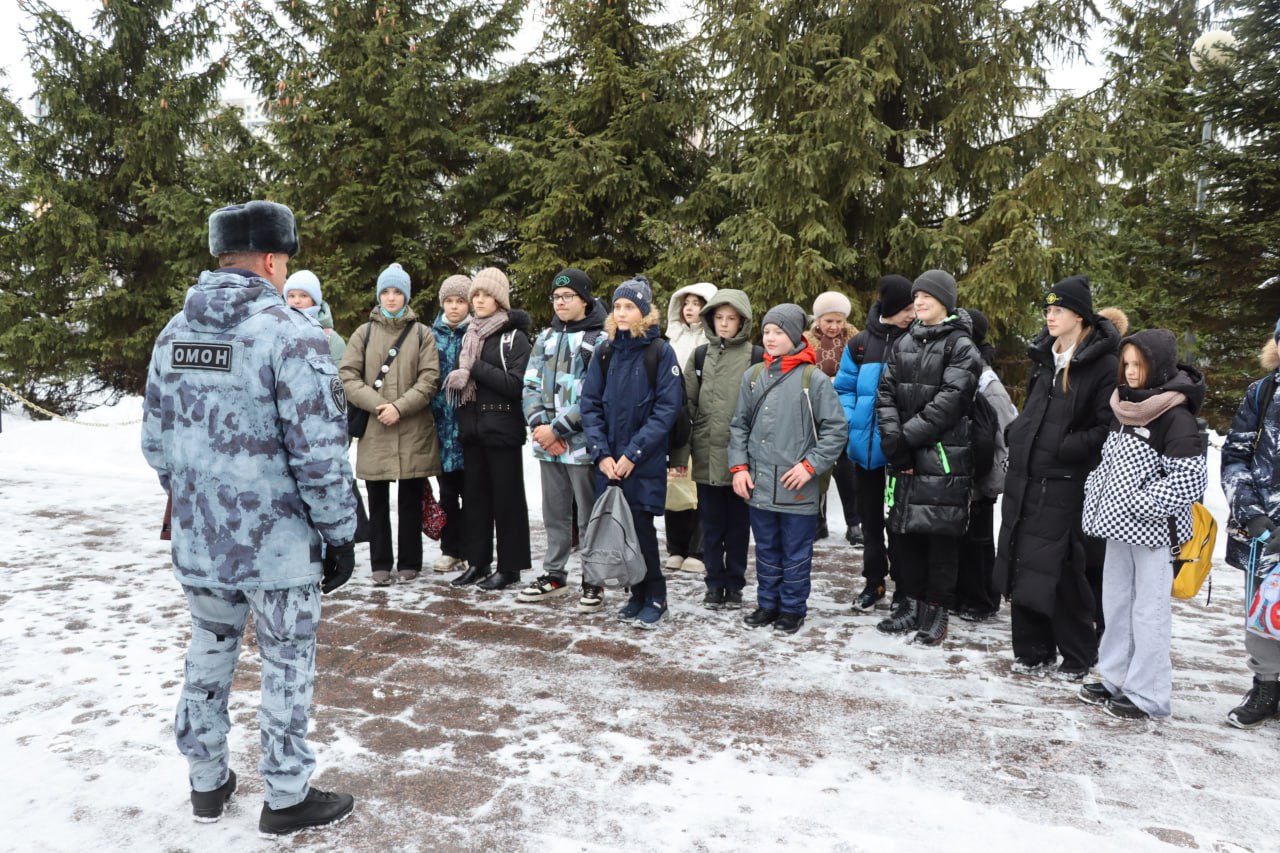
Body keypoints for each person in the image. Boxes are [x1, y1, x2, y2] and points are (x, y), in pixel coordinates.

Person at [141, 200, 356, 835]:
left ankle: (206, 782)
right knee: (287, 660)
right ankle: (286, 795)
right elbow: (319, 452)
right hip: (278, 546)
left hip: (201, 540)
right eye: (284, 260)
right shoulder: (290, 334)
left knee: (208, 649)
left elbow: (156, 445)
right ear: (270, 259)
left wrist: (200, 499)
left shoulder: (174, 334)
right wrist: (340, 531)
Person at [994, 277, 1123, 677]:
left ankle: (1078, 654)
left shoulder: (1103, 364)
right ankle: (1033, 650)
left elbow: (1109, 427)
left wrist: (1067, 448)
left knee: (1063, 569)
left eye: (1059, 310)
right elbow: (1033, 410)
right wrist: (1017, 436)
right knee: (1021, 560)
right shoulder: (1044, 356)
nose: (1050, 316)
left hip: (1067, 482)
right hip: (1027, 476)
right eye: (1047, 310)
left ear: (1079, 316)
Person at [1079, 329, 1207, 720]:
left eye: (1140, 365)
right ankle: (1116, 676)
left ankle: (1148, 693)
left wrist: (1140, 503)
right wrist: (1095, 488)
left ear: (1159, 367)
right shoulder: (1127, 407)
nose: (1131, 373)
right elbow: (1110, 464)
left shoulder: (1175, 416)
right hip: (1119, 528)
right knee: (1116, 605)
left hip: (1152, 533)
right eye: (1127, 364)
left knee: (1148, 612)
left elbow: (1190, 480)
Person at [875, 270, 981, 647]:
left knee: (940, 540)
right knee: (907, 536)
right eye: (916, 297)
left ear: (945, 303)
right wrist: (893, 440)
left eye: (927, 297)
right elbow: (885, 393)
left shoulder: (961, 346)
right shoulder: (904, 341)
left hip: (942, 460)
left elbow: (950, 403)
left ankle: (937, 612)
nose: (919, 303)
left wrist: (904, 439)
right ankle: (911, 604)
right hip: (905, 457)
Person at [730, 303, 848, 634]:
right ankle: (768, 604)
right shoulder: (753, 377)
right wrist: (739, 468)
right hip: (759, 482)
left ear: (795, 336)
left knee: (795, 550)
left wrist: (810, 466)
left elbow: (836, 429)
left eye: (778, 332)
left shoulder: (814, 379)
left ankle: (793, 608)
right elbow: (738, 425)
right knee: (766, 547)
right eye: (766, 331)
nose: (770, 338)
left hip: (797, 484)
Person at [580, 275, 684, 628]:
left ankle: (655, 594)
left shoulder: (660, 352)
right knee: (617, 528)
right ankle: (636, 594)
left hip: (642, 461)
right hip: (608, 462)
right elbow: (590, 403)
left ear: (644, 312)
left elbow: (667, 409)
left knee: (640, 528)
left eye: (630, 307)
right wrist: (602, 453)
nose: (622, 313)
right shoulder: (605, 350)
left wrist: (632, 454)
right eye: (619, 306)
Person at [339, 263, 442, 586]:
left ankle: (411, 561)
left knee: (411, 499)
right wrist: (378, 405)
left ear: (406, 296)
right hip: (376, 428)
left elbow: (430, 379)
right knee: (378, 501)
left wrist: (399, 407)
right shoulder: (363, 333)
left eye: (398, 292)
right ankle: (380, 563)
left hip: (413, 429)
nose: (392, 297)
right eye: (386, 291)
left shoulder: (423, 334)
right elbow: (347, 376)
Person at [519, 268, 609, 610]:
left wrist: (558, 430)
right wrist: (540, 425)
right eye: (556, 297)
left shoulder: (599, 340)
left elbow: (594, 396)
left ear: (584, 300)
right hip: (547, 444)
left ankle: (593, 579)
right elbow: (529, 383)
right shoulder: (546, 337)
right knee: (555, 514)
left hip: (581, 445)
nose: (560, 303)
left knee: (588, 516)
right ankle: (554, 573)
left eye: (567, 297)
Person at [445, 267, 534, 591]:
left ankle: (510, 567)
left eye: (486, 295)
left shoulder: (514, 337)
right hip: (473, 429)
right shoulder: (470, 335)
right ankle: (478, 562)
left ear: (500, 299)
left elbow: (516, 384)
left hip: (502, 430)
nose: (480, 300)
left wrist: (475, 367)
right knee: (476, 502)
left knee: (507, 502)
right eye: (476, 295)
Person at [834, 275, 915, 612]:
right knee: (870, 522)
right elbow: (843, 389)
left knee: (900, 524)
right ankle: (874, 581)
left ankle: (904, 588)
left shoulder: (915, 342)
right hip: (864, 450)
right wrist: (852, 425)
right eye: (907, 308)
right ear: (891, 309)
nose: (913, 314)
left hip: (900, 452)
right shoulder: (860, 344)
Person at [1220, 317, 1280, 728]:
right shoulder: (1262, 392)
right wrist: (1252, 515)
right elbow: (1235, 456)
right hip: (1264, 528)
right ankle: (1266, 687)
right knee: (1264, 613)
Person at [683, 289, 759, 610]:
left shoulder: (756, 356)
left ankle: (736, 583)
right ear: (710, 320)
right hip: (706, 455)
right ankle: (714, 583)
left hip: (743, 460)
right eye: (719, 318)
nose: (725, 324)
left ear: (742, 321)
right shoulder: (700, 356)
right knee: (711, 526)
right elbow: (686, 405)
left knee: (739, 527)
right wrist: (680, 453)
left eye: (731, 318)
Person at [953, 308, 1018, 622]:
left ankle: (982, 599)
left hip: (982, 475)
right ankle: (964, 592)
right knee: (963, 538)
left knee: (978, 539)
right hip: (962, 473)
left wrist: (993, 475)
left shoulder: (987, 382)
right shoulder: (962, 370)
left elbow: (1007, 430)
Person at [664, 281, 717, 575]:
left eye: (697, 304)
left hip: (702, 421)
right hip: (675, 422)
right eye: (686, 303)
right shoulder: (672, 339)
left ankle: (698, 549)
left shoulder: (711, 343)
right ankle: (676, 547)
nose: (690, 309)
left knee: (699, 486)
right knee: (675, 481)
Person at [804, 291, 861, 543]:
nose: (834, 327)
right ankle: (817, 520)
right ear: (818, 320)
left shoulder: (856, 339)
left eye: (839, 321)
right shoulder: (805, 341)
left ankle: (854, 522)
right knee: (817, 465)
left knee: (847, 469)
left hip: (846, 411)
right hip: (814, 411)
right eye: (828, 321)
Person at [429, 274, 471, 574]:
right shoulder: (430, 335)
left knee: (473, 494)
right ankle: (450, 548)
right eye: (449, 301)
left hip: (468, 427)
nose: (454, 307)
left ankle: (472, 548)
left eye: (460, 301)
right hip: (440, 427)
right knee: (447, 494)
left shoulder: (476, 333)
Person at [284, 269, 346, 363]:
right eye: (291, 296)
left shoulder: (331, 340)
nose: (296, 301)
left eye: (303, 296)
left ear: (314, 300)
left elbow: (340, 375)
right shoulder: (276, 330)